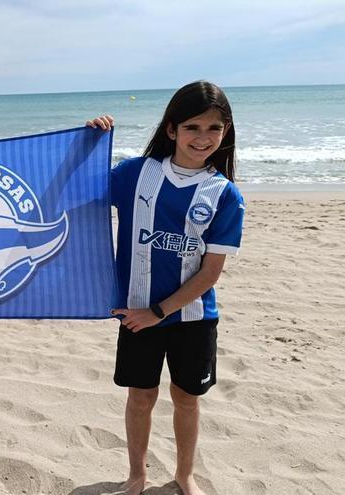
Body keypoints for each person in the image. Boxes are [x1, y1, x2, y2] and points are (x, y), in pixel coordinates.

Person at [87, 80, 245, 495]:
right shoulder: (136, 174)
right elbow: (78, 188)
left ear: (225, 132)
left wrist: (158, 312)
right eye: (192, 127)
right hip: (136, 314)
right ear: (172, 129)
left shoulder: (225, 195)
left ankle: (184, 475)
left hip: (191, 318)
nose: (203, 138)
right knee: (140, 398)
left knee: (186, 399)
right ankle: (136, 475)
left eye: (214, 128)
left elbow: (210, 274)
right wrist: (89, 142)